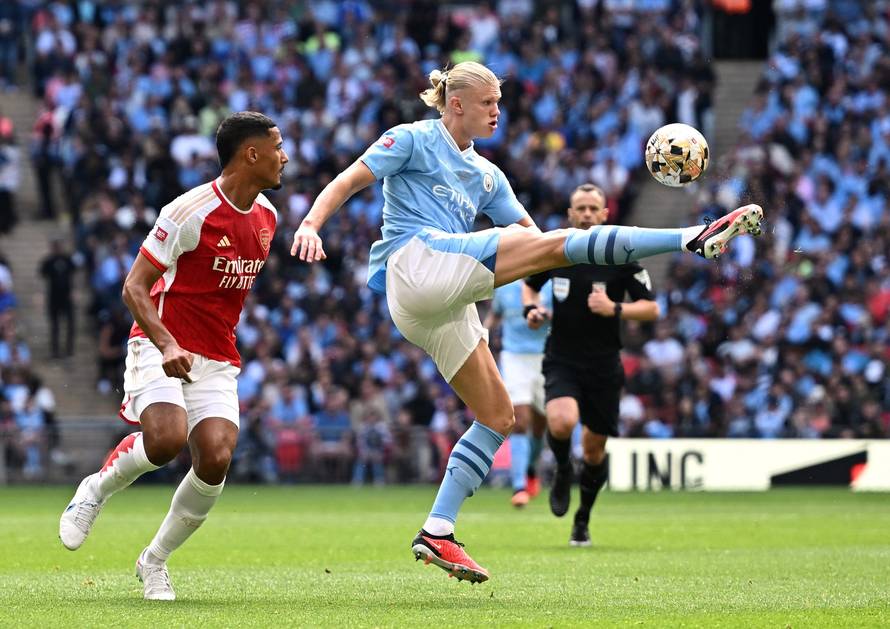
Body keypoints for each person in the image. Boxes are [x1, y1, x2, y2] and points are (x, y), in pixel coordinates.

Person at [290, 61, 763, 584]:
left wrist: (552, 269)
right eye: (488, 103)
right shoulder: (411, 138)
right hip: (414, 264)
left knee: (498, 416)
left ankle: (438, 531)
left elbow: (540, 243)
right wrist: (310, 223)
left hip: (438, 302)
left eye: (499, 102)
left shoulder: (489, 175)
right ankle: (690, 237)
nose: (498, 112)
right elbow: (348, 180)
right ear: (456, 104)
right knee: (542, 245)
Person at [59, 111, 288, 601]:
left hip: (216, 355)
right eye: (278, 147)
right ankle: (95, 490)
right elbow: (134, 286)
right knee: (166, 440)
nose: (284, 157)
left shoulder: (268, 218)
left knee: (217, 457)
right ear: (252, 154)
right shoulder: (189, 211)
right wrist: (166, 342)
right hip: (159, 341)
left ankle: (154, 561)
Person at [524, 183, 660, 547]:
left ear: (604, 214)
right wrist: (531, 309)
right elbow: (530, 284)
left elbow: (651, 308)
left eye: (592, 208)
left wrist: (614, 308)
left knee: (594, 450)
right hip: (562, 358)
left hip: (603, 364)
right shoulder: (558, 250)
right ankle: (562, 468)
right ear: (570, 214)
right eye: (580, 208)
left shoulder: (621, 256)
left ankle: (582, 518)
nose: (586, 214)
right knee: (561, 421)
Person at [483, 278, 551, 508]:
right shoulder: (505, 288)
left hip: (546, 358)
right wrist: (481, 336)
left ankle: (530, 467)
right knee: (520, 421)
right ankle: (519, 486)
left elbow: (566, 318)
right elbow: (495, 314)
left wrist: (547, 315)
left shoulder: (549, 285)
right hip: (514, 358)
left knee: (541, 424)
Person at [39, 237, 76, 358]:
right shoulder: (48, 261)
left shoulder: (67, 259)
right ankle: (55, 350)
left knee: (70, 324)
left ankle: (69, 349)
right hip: (54, 297)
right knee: (55, 325)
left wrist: (73, 291)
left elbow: (74, 272)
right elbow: (42, 273)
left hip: (67, 296)